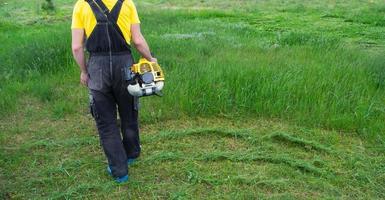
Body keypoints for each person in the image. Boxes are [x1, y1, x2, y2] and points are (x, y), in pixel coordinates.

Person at [71, 0, 156, 183]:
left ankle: (119, 171)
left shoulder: (81, 5)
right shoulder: (128, 3)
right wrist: (151, 59)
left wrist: (85, 71)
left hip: (97, 67)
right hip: (124, 65)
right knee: (129, 112)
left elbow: (77, 47)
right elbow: (138, 41)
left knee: (106, 122)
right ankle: (132, 153)